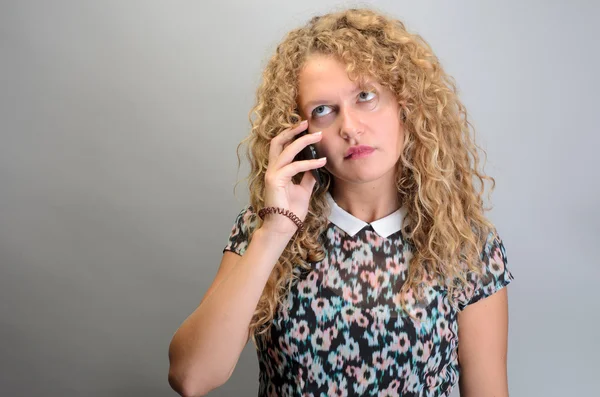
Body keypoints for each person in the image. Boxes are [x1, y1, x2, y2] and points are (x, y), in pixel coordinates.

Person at [168, 7, 514, 397]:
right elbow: (190, 377)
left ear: (406, 104)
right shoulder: (265, 229)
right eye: (322, 110)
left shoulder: (464, 244)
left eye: (366, 96)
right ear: (299, 130)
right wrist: (275, 231)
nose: (349, 127)